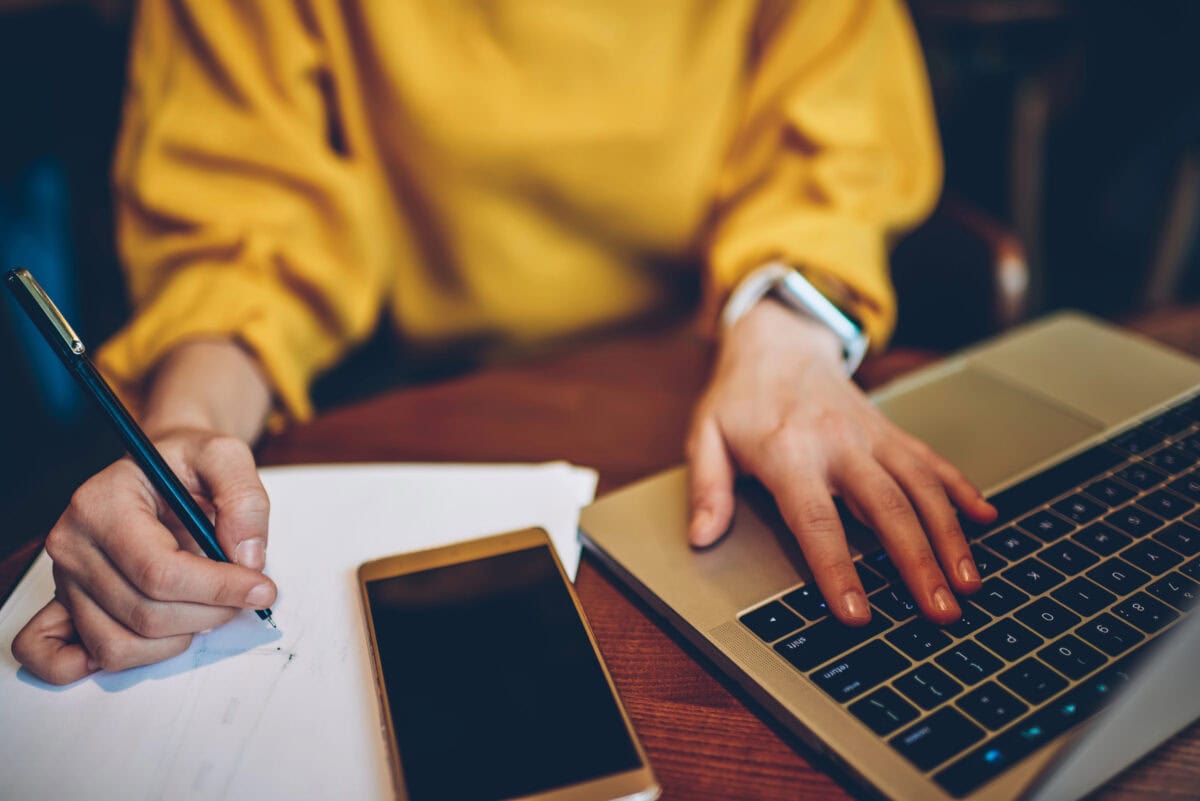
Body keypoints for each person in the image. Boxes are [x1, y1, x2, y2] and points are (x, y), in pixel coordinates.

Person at [12, 0, 996, 685]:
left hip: (723, 360)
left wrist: (786, 336)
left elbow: (838, 128)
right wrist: (186, 425)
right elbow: (245, 221)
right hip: (432, 403)